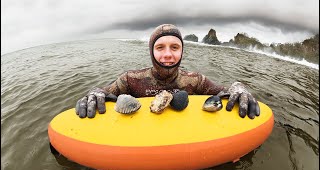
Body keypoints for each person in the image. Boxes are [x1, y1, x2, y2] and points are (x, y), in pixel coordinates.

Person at [75, 24, 260, 119]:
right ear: (151, 51)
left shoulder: (195, 80)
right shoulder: (130, 79)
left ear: (182, 51)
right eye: (160, 47)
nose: (167, 54)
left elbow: (225, 91)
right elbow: (104, 92)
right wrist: (94, 93)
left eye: (174, 47)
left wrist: (239, 87)